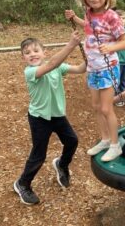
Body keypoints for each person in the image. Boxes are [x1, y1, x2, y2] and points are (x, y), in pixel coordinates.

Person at [14, 32, 87, 205]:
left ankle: (62, 164)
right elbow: (53, 63)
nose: (32, 54)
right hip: (39, 118)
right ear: (23, 58)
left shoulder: (58, 68)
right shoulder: (31, 72)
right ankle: (22, 183)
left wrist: (91, 56)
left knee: (72, 141)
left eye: (35, 50)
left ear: (43, 52)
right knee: (39, 154)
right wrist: (70, 44)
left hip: (58, 116)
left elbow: (80, 69)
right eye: (27, 52)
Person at [65, 0, 125, 162]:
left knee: (107, 108)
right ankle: (105, 139)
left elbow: (124, 42)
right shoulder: (89, 14)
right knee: (95, 106)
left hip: (108, 67)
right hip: (93, 67)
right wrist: (75, 18)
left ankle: (115, 145)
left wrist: (110, 46)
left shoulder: (112, 17)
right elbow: (89, 26)